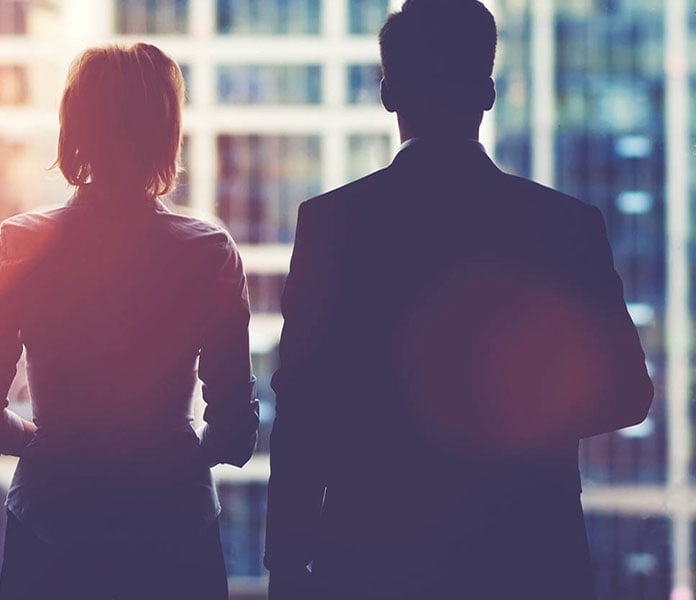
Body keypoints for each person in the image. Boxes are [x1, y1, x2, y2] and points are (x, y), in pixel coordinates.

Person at [264, 1, 655, 598]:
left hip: (372, 556)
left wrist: (286, 564)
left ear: (388, 93)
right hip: (526, 553)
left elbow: (303, 408)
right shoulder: (565, 225)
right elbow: (628, 393)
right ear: (488, 93)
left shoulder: (332, 224)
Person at [0, 43, 260, 599]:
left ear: (74, 130)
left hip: (51, 529)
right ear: (167, 134)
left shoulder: (19, 246)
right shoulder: (207, 252)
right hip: (175, 530)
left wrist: (54, 440)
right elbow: (236, 435)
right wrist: (173, 446)